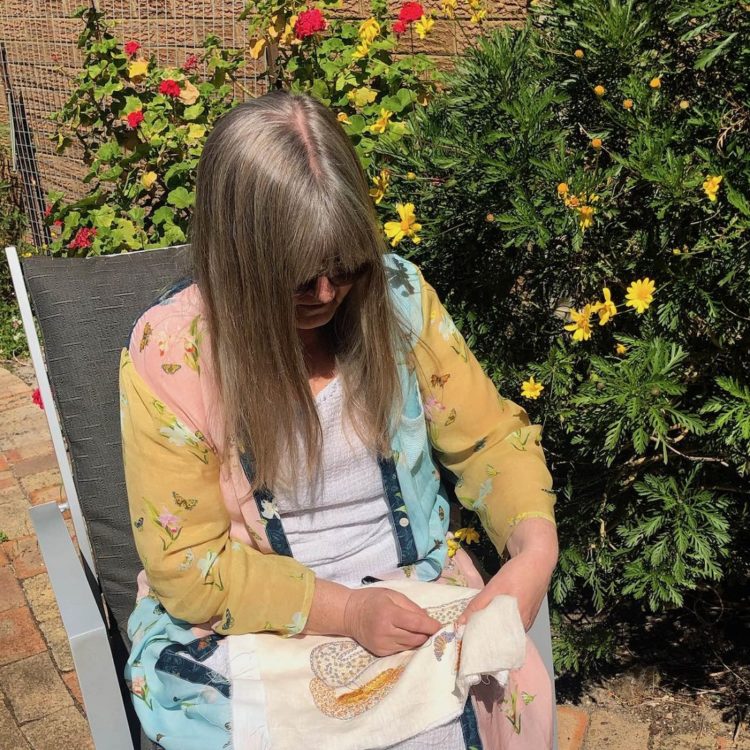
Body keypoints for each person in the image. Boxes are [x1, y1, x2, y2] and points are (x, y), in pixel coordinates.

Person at [120, 89, 559, 750]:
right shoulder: (173, 357)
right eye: (299, 280)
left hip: (415, 592)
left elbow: (493, 441)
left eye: (347, 266)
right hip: (260, 620)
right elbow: (187, 562)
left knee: (470, 703)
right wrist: (347, 611)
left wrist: (534, 551)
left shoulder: (400, 300)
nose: (327, 295)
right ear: (239, 265)